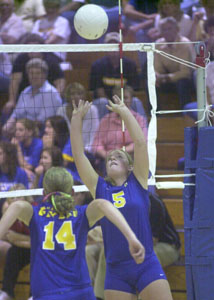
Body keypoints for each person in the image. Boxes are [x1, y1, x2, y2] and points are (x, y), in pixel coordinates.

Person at [70, 96, 173, 300]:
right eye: (109, 158)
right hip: (116, 270)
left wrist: (125, 112)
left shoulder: (138, 181)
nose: (112, 158)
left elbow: (141, 144)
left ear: (130, 166)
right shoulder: (99, 187)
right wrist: (76, 120)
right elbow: (79, 155)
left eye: (118, 157)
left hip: (146, 264)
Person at [0, 166, 145, 300]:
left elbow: (17, 206)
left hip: (47, 293)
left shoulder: (36, 215)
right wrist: (132, 238)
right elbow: (103, 204)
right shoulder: (81, 215)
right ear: (72, 192)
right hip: (81, 293)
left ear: (44, 193)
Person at [2, 34, 65, 116]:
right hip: (26, 97)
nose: (32, 50)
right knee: (8, 113)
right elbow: (14, 81)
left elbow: (60, 83)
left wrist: (53, 99)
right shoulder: (21, 59)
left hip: (46, 97)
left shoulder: (51, 61)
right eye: (29, 48)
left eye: (35, 48)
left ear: (41, 48)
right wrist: (11, 101)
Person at [91, 85, 148, 174]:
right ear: (114, 100)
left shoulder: (139, 119)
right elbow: (96, 144)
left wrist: (122, 151)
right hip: (109, 159)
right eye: (119, 98)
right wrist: (106, 155)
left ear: (131, 100)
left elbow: (142, 142)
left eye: (125, 98)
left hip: (131, 158)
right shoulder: (106, 120)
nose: (122, 101)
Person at [2, 58, 62, 137]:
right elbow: (15, 114)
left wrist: (18, 129)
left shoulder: (50, 93)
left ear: (44, 75)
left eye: (38, 73)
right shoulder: (25, 91)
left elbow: (41, 121)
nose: (34, 76)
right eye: (31, 73)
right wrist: (7, 127)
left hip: (38, 131)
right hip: (20, 129)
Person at [0, 184, 33, 300]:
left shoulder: (34, 211)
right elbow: (7, 236)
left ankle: (34, 295)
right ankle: (7, 292)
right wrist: (22, 240)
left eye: (18, 197)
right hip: (24, 249)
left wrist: (17, 239)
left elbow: (38, 242)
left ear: (26, 199)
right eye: (12, 198)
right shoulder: (10, 213)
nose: (15, 201)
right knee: (13, 253)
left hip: (40, 249)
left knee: (38, 256)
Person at [154, 16, 194, 110]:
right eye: (164, 29)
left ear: (177, 29)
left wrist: (166, 77)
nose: (167, 32)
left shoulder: (185, 44)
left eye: (169, 29)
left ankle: (185, 114)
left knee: (182, 83)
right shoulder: (158, 44)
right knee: (151, 82)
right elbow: (157, 68)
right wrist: (156, 76)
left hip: (186, 79)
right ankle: (155, 115)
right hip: (166, 78)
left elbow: (185, 72)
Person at [89, 32, 140, 99]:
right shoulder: (97, 66)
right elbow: (98, 89)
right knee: (102, 101)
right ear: (105, 48)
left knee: (136, 101)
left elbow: (133, 88)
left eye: (116, 46)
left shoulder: (130, 65)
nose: (113, 50)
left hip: (125, 100)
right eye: (110, 46)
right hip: (105, 102)